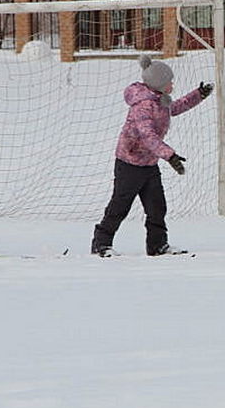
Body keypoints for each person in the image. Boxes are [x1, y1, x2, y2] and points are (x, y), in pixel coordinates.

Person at [91, 55, 214, 257]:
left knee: (157, 207)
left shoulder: (159, 100)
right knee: (120, 206)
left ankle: (157, 246)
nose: (172, 84)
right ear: (159, 84)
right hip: (129, 163)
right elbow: (147, 136)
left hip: (149, 163)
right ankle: (101, 244)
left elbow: (175, 108)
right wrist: (170, 156)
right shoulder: (143, 105)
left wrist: (198, 95)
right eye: (169, 82)